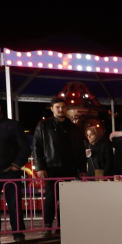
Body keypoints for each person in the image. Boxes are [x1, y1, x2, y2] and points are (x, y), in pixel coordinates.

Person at [33, 96, 87, 236]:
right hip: (51, 167)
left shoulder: (74, 128)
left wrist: (82, 168)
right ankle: (47, 225)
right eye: (57, 107)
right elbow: (37, 147)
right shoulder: (43, 125)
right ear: (52, 109)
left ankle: (62, 226)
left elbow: (80, 149)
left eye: (63, 107)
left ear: (66, 108)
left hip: (70, 167)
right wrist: (40, 167)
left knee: (66, 199)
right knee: (51, 197)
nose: (61, 109)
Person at [0, 97, 31, 244]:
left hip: (10, 172)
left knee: (14, 205)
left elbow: (25, 148)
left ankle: (18, 235)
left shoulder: (13, 125)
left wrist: (16, 165)